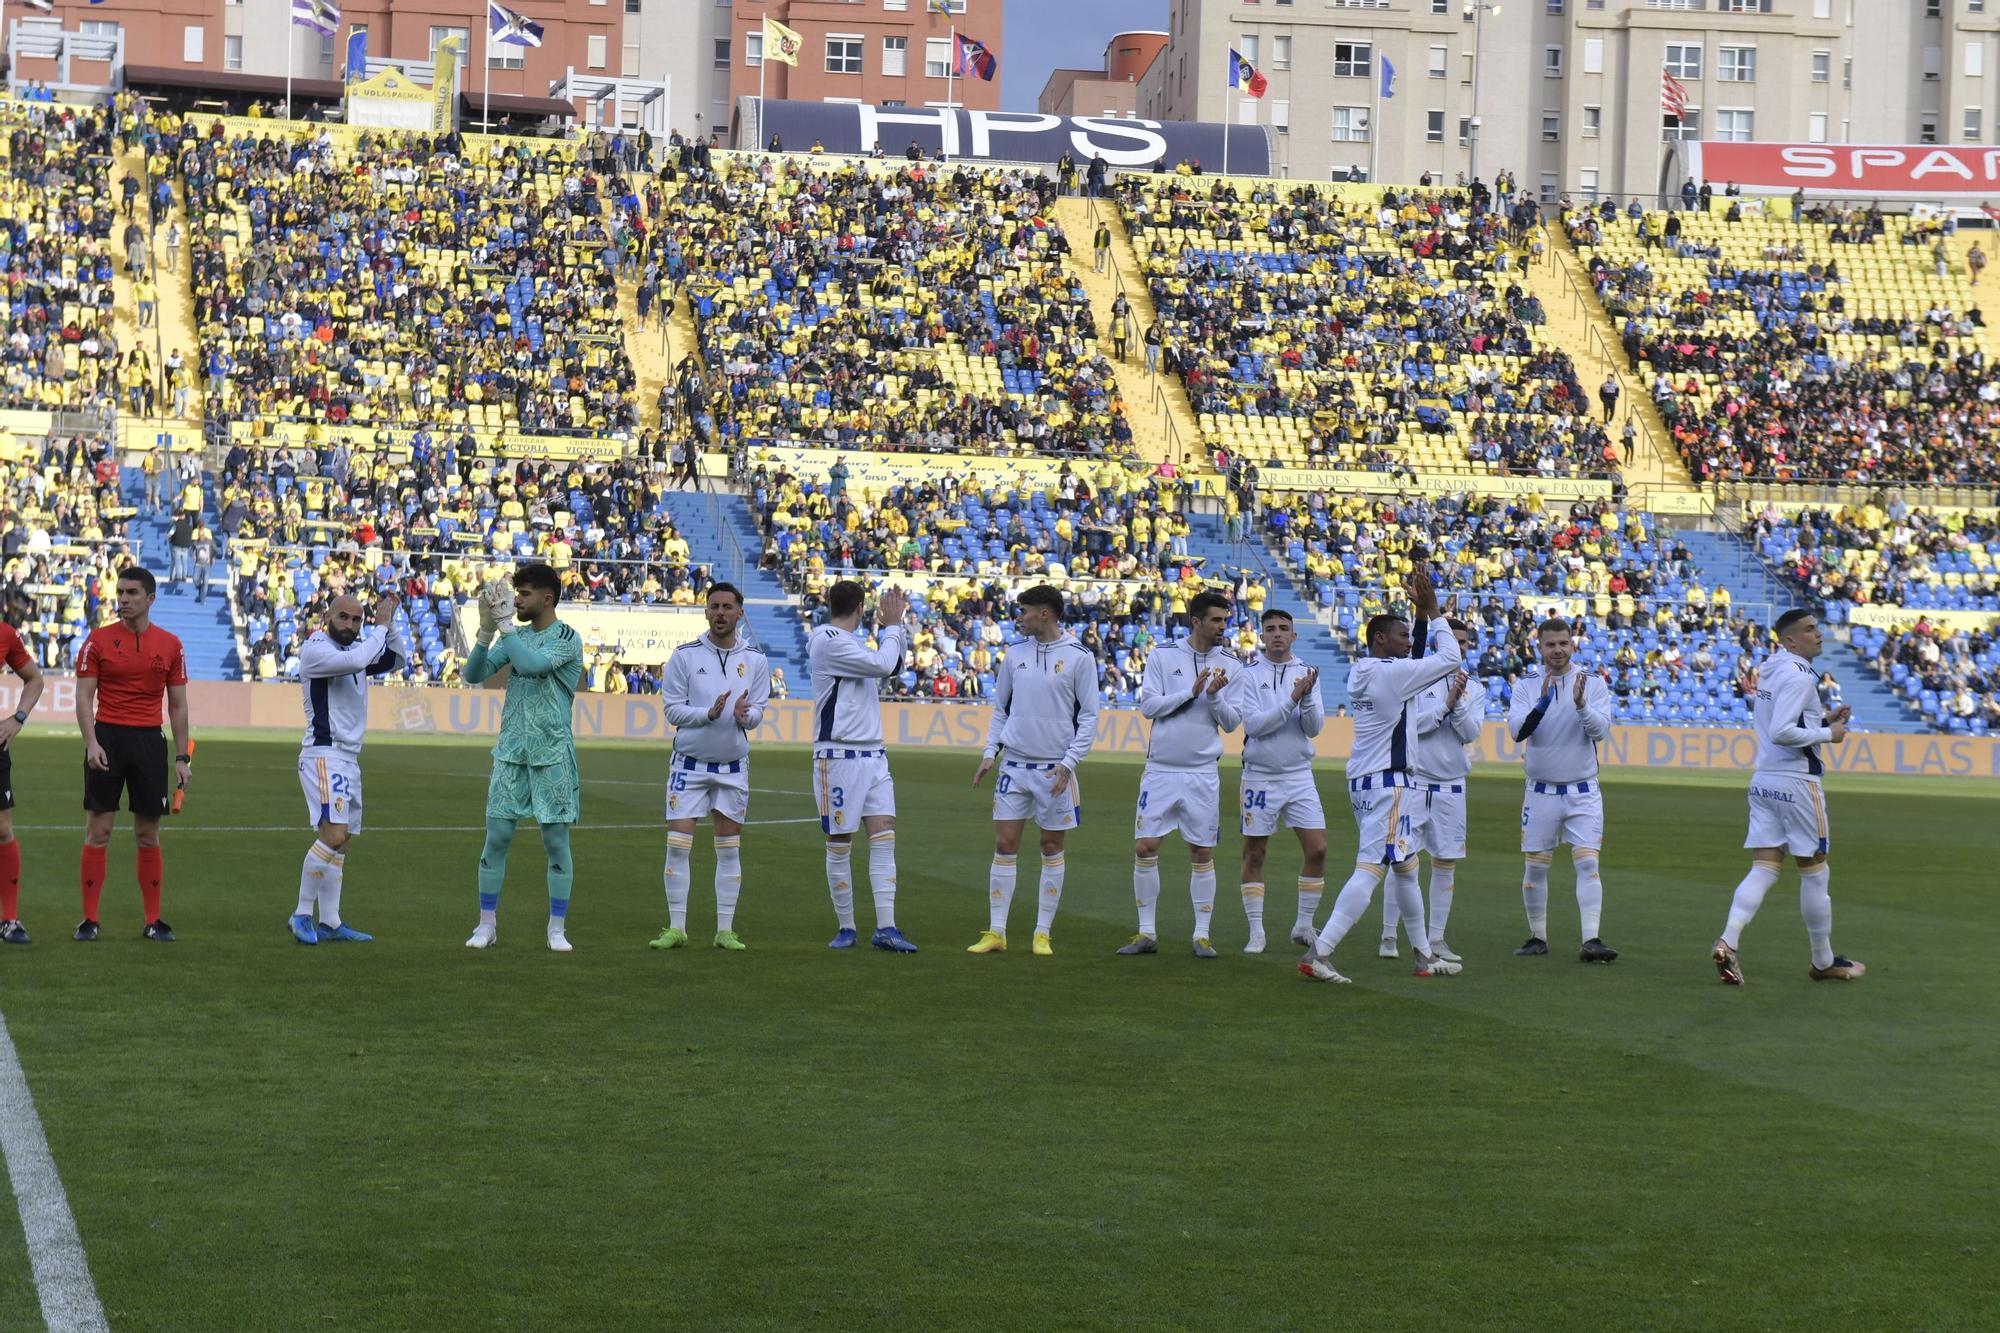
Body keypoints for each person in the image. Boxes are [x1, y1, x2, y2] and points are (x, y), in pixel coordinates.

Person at [1298, 571, 1463, 984]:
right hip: (1389, 784)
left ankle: (1423, 955)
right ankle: (1322, 950)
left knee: (1406, 866)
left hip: (1368, 780)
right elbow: (1449, 659)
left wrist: (1420, 616)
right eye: (1403, 636)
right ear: (1381, 640)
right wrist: (1434, 611)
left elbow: (1416, 660)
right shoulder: (1390, 673)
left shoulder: (1369, 670)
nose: (1410, 642)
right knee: (1372, 866)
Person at [1712, 610, 1865, 984]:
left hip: (1764, 779)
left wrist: (1822, 721)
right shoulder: (1798, 674)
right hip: (1796, 782)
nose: (1819, 634)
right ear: (1790, 641)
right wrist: (1829, 735)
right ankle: (1823, 960)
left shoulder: (1773, 668)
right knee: (1815, 871)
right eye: (1810, 630)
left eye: (1817, 628)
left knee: (1764, 867)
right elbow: (1782, 730)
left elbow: (1784, 722)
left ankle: (1727, 940)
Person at [967, 585, 1099, 956]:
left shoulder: (1079, 657)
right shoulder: (1014, 654)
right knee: (1005, 845)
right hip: (1014, 765)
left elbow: (1089, 717)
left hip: (1054, 769)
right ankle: (996, 932)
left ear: (1045, 613)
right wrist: (990, 752)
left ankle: (1042, 932)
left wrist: (1069, 764)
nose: (1018, 617)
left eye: (1024, 611)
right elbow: (1001, 709)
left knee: (1051, 845)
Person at [461, 564, 586, 952]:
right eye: (516, 593)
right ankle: (486, 925)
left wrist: (505, 627)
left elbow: (531, 665)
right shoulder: (515, 635)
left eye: (525, 593)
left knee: (555, 843)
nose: (516, 600)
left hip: (552, 754)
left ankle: (556, 928)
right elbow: (474, 673)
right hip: (511, 752)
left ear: (547, 599)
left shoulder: (566, 637)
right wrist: (485, 632)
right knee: (496, 838)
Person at [74, 567, 190, 943]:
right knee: (99, 830)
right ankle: (89, 920)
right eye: (120, 591)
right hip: (107, 736)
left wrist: (181, 757)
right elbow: (83, 696)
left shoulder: (171, 645)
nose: (122, 598)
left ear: (150, 599)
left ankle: (152, 920)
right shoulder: (99, 640)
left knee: (147, 834)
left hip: (148, 743)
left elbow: (177, 706)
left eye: (132, 593)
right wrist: (91, 742)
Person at [1123, 589, 1240, 959]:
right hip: (1160, 769)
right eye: (1216, 620)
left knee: (1202, 850)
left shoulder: (1233, 666)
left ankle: (1202, 935)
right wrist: (1190, 693)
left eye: (1226, 619)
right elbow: (1149, 706)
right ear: (1196, 621)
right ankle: (1145, 933)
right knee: (1146, 846)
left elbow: (1233, 722)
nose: (1223, 626)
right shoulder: (1163, 656)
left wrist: (1216, 697)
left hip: (1202, 772)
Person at [653, 583, 770, 952]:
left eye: (728, 607)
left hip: (733, 767)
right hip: (689, 765)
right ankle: (676, 928)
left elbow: (759, 713)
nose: (720, 613)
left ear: (740, 613)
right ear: (705, 612)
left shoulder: (755, 660)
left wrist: (744, 715)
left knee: (729, 848)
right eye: (714, 606)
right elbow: (672, 710)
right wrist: (709, 713)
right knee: (677, 847)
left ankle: (724, 930)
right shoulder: (685, 656)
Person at [807, 579, 918, 952]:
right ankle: (846, 926)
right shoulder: (827, 640)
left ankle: (886, 927)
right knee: (840, 841)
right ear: (860, 610)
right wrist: (890, 625)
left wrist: (896, 627)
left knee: (884, 836)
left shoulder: (851, 644)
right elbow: (885, 663)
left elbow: (892, 667)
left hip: (873, 754)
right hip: (838, 756)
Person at [291, 592, 406, 945]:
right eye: (343, 617)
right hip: (324, 754)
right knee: (334, 834)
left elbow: (397, 659)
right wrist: (380, 625)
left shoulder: (354, 652)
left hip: (349, 759)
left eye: (357, 620)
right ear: (327, 615)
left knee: (344, 843)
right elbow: (360, 657)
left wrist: (390, 621)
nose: (350, 625)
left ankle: (330, 921)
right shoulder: (317, 649)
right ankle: (300, 914)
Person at [1507, 618, 1618, 963]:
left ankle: (1592, 940)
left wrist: (1582, 704)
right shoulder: (1526, 685)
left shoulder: (1593, 683)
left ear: (1573, 645)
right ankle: (1537, 936)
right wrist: (1541, 703)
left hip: (1583, 790)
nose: (1557, 650)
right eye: (1550, 644)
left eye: (1563, 643)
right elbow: (1517, 732)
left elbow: (1601, 732)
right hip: (1540, 792)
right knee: (1536, 867)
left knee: (1588, 865)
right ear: (1539, 647)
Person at [1219, 609, 1324, 956]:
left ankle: (1304, 924)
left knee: (1317, 849)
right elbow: (1255, 726)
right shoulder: (1249, 675)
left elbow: (1313, 728)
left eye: (1284, 628)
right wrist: (1293, 699)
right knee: (1255, 853)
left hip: (1298, 775)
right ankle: (1256, 931)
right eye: (1270, 629)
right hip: (1260, 777)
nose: (1277, 633)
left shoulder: (1307, 673)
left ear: (1294, 635)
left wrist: (1306, 697)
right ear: (1262, 636)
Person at [1381, 617, 1484, 962]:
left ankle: (1436, 939)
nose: (1458, 647)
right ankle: (1389, 936)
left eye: (1463, 642)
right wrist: (1444, 704)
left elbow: (1469, 733)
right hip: (1414, 782)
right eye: (1451, 640)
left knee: (1446, 862)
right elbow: (1415, 727)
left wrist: (1457, 701)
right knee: (1402, 860)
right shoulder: (1415, 678)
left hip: (1452, 786)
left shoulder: (1476, 688)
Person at [0, 618, 45, 943]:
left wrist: (18, 718)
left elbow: (34, 679)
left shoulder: (4, 633)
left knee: (2, 828)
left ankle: (10, 920)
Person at [191, 522, 217, 604]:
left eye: (202, 535)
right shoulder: (196, 542)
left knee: (206, 582)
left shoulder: (209, 541)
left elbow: (215, 550)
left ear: (205, 535)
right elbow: (192, 550)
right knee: (195, 579)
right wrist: (193, 555)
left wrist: (213, 557)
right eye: (200, 535)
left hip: (207, 565)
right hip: (198, 564)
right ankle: (199, 587)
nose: (201, 537)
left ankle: (202, 599)